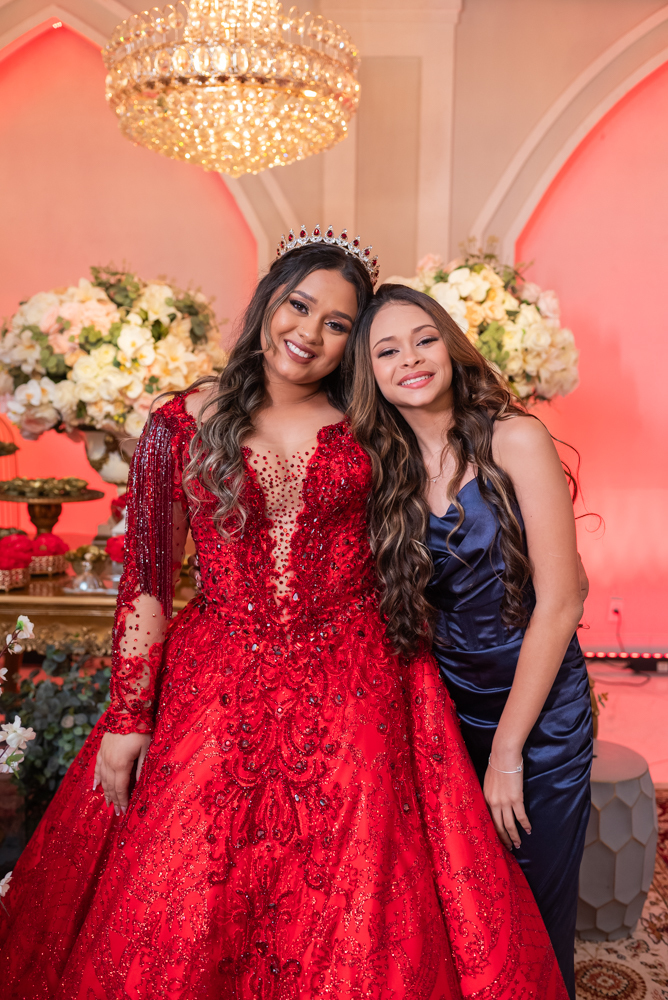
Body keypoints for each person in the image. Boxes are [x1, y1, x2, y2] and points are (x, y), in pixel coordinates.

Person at [0, 232, 568, 1000]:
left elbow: (447, 464)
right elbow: (149, 580)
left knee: (361, 884)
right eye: (299, 306)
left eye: (337, 324)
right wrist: (130, 714)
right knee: (181, 879)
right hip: (217, 672)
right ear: (269, 300)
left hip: (357, 671)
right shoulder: (177, 424)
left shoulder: (373, 423)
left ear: (352, 343)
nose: (309, 333)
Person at [347, 282, 593, 1000]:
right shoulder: (378, 466)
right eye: (387, 351)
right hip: (446, 711)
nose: (410, 359)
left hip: (540, 714)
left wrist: (510, 751)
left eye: (424, 339)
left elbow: (563, 600)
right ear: (369, 374)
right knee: (462, 911)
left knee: (535, 906)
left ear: (451, 347)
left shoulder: (516, 438)